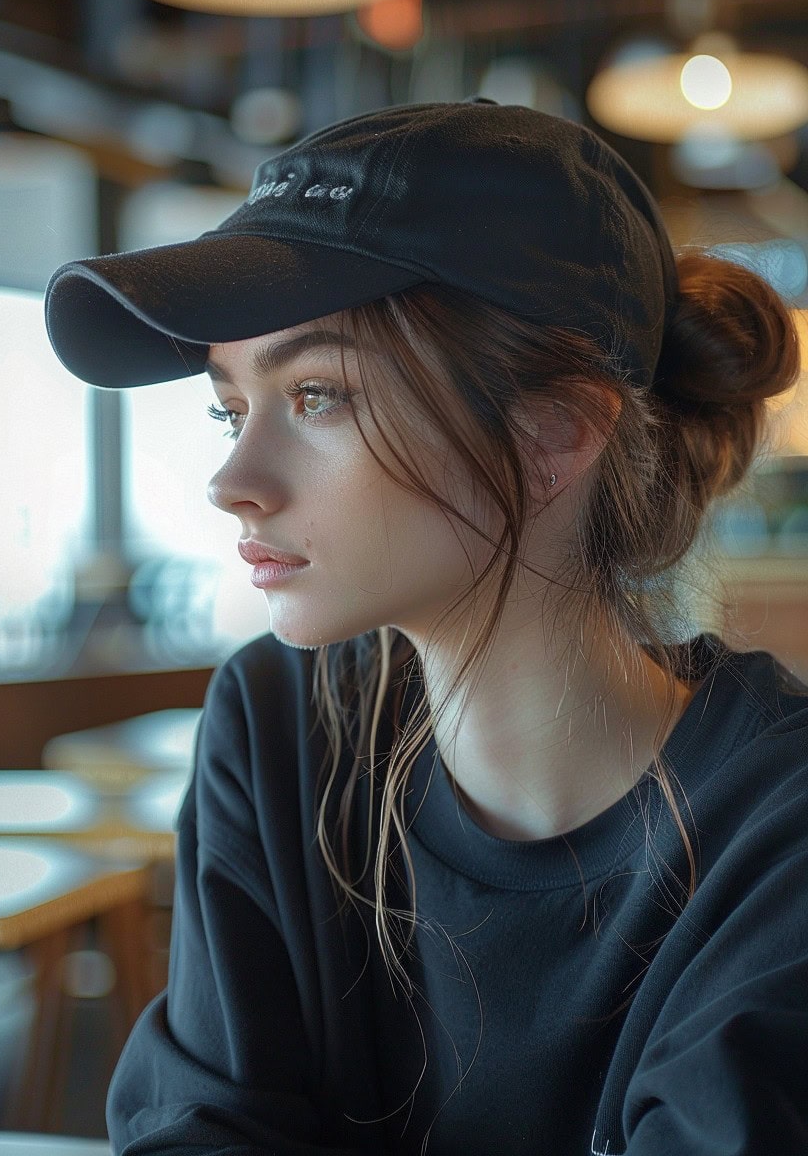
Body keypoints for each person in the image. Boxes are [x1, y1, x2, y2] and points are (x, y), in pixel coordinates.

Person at [43, 98, 808, 1156]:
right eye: (232, 407)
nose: (233, 481)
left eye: (316, 394)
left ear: (555, 430)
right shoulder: (279, 724)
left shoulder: (778, 824)